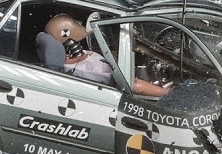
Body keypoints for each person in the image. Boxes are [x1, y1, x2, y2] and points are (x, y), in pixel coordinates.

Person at [40, 14, 169, 96]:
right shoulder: (86, 70)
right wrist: (164, 92)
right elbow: (129, 84)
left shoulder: (72, 62)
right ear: (66, 34)